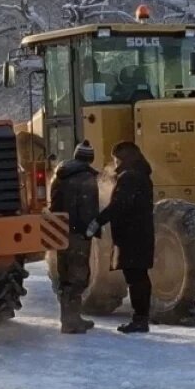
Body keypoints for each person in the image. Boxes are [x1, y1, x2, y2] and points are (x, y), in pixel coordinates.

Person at [86, 141, 154, 333]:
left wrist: (97, 221)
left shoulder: (129, 177)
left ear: (124, 158)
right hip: (141, 232)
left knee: (135, 277)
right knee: (139, 276)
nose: (114, 163)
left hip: (131, 235)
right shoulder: (142, 175)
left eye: (116, 159)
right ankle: (141, 318)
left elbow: (119, 206)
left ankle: (139, 319)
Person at [48, 141, 100, 334]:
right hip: (78, 233)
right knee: (78, 277)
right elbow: (88, 208)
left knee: (65, 276)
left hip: (61, 231)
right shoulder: (86, 178)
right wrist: (91, 230)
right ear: (89, 158)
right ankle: (72, 321)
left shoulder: (59, 175)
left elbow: (54, 206)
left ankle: (68, 318)